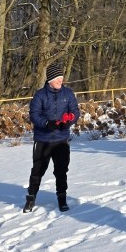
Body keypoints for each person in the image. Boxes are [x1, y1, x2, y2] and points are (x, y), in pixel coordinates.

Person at [23, 61, 81, 213]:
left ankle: (62, 199)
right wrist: (47, 123)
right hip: (43, 140)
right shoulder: (40, 95)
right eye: (57, 78)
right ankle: (30, 199)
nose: (61, 80)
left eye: (61, 78)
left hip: (61, 140)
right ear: (50, 80)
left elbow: (75, 111)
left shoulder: (68, 93)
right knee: (37, 171)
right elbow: (34, 115)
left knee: (61, 171)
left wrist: (69, 120)